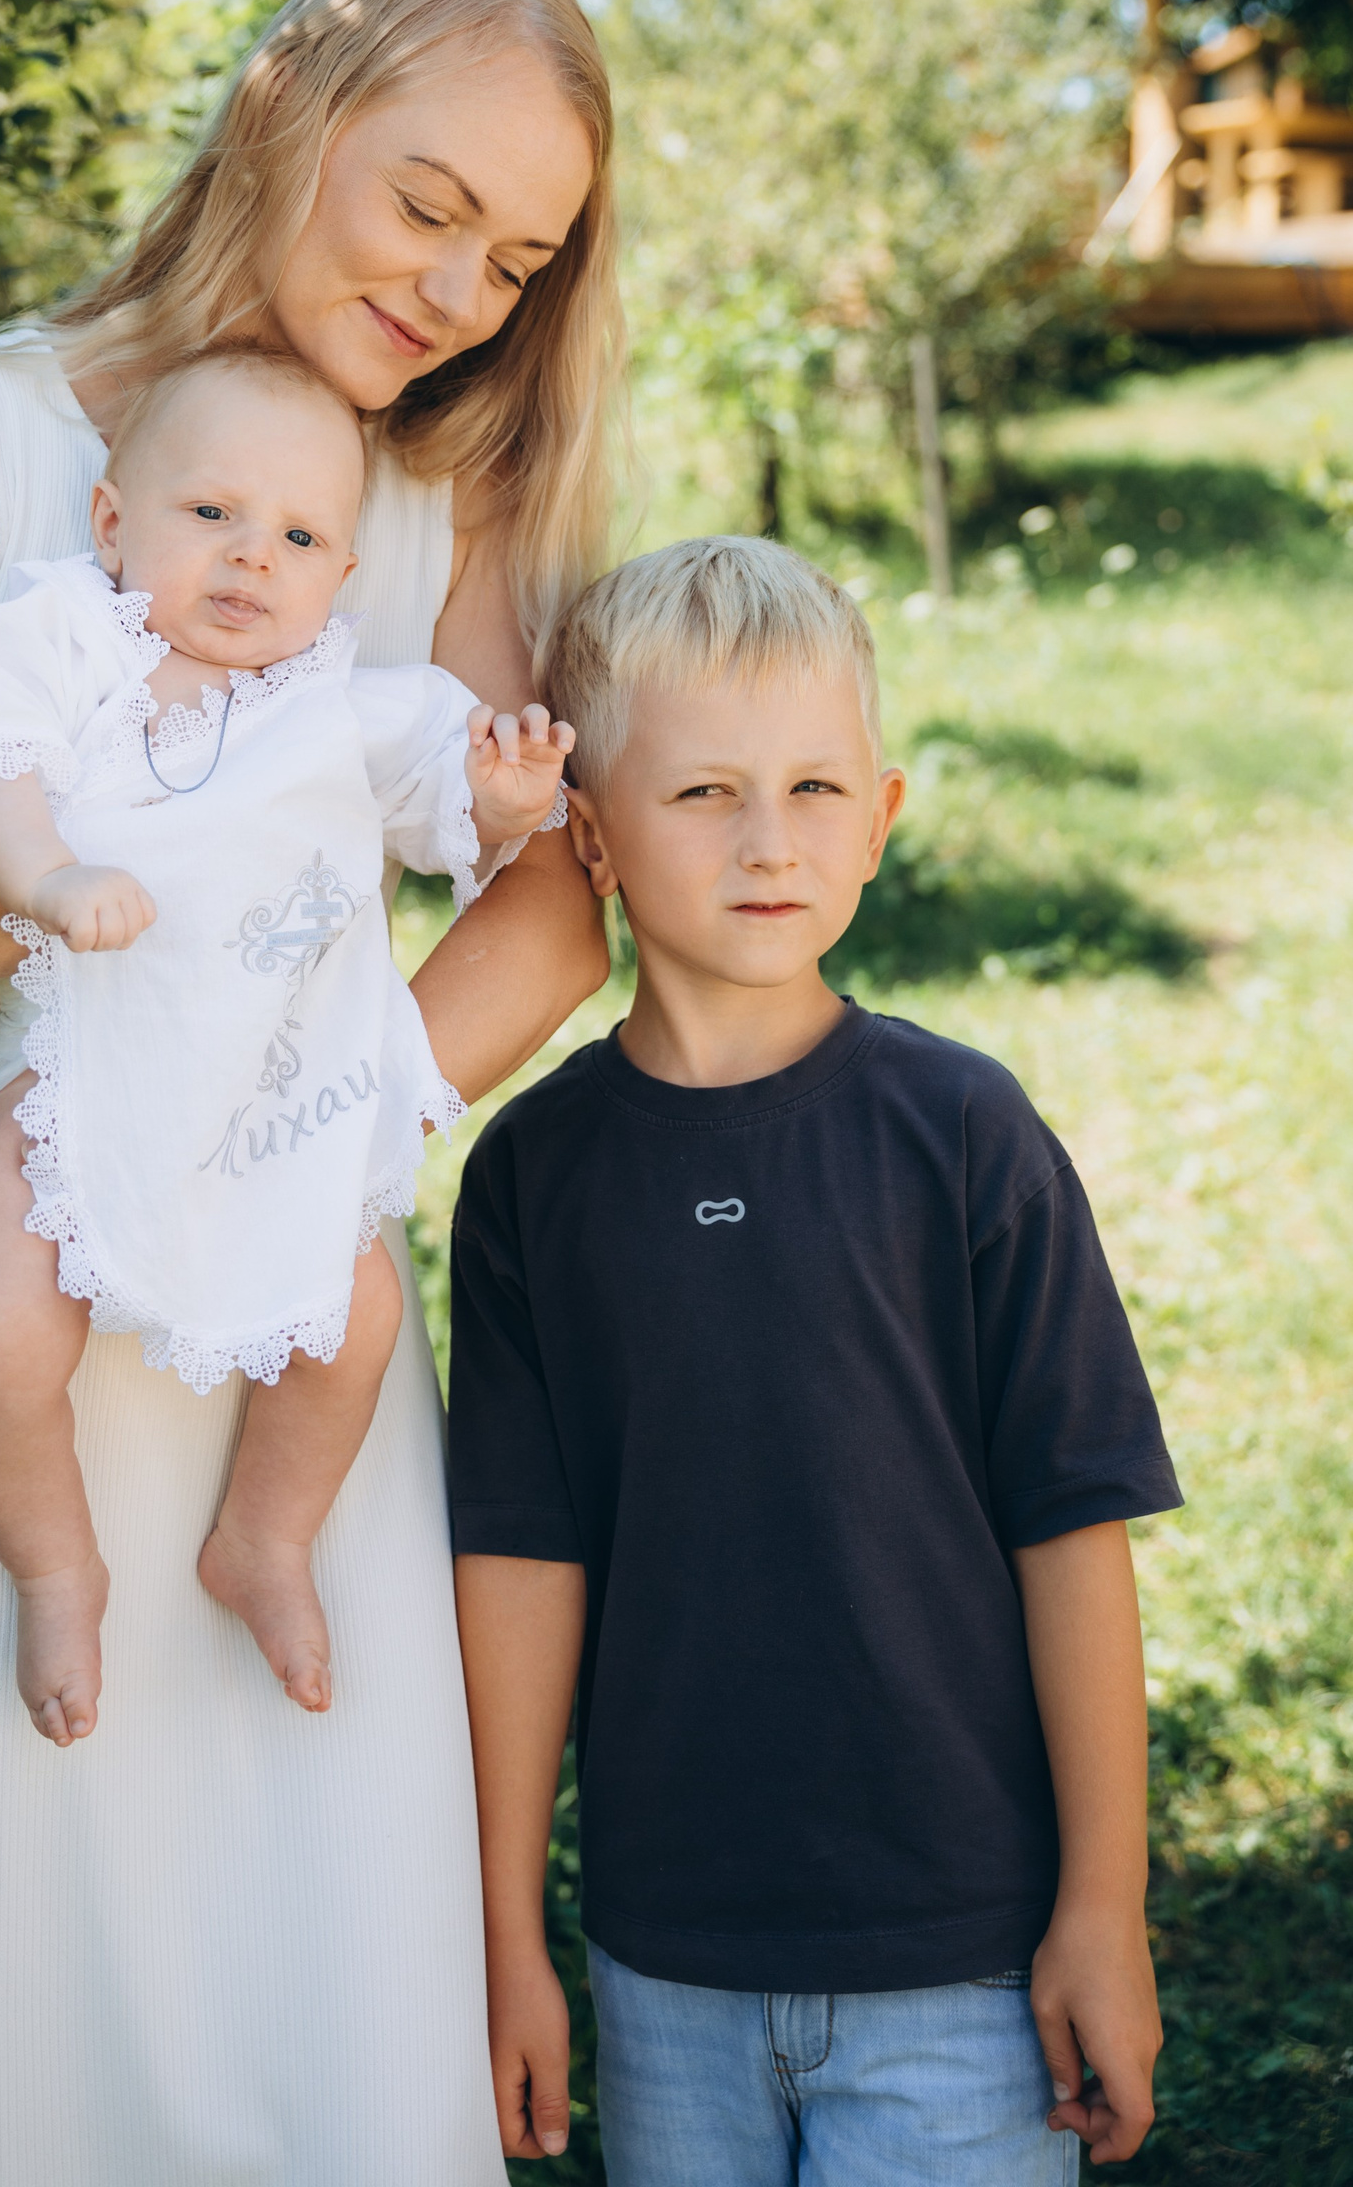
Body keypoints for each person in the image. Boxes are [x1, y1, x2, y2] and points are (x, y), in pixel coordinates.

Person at [0, 0, 620, 2186]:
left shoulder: (437, 501)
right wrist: (211, 867)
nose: (460, 295)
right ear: (284, 106)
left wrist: (317, 1124)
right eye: (428, 206)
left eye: (518, 261)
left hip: (288, 1368)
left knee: (308, 2035)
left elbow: (549, 899)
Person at [449, 536, 1183, 2185]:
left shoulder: (965, 1134)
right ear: (593, 834)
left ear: (882, 815)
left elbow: (1073, 1529)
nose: (769, 841)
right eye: (704, 793)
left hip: (966, 1964)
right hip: (665, 1967)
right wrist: (507, 1936)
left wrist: (1102, 1907)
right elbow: (518, 1564)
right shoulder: (532, 1178)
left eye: (814, 789)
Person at [0, 345, 571, 1737]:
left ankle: (264, 1536)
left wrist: (501, 800)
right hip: (83, 1063)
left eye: (301, 538)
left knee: (358, 1320)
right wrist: (43, 873)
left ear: (342, 579)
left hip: (272, 1089)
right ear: (112, 522)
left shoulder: (348, 705)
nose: (254, 556)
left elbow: (446, 805)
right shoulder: (67, 641)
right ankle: (55, 1567)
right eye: (212, 514)